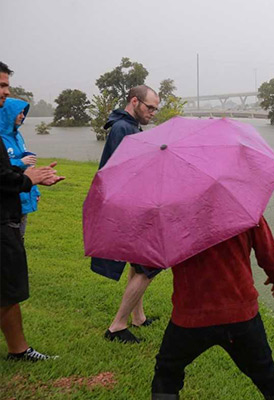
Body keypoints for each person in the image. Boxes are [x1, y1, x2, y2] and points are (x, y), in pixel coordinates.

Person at [151, 216, 274, 400]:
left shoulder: (173, 216)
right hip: (239, 314)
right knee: (266, 374)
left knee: (167, 372)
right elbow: (271, 258)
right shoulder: (245, 211)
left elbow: (153, 256)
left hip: (190, 316)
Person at [1, 61, 65, 361]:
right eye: (1, 86)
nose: (5, 92)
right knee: (7, 290)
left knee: (8, 291)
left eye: (7, 87)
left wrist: (32, 176)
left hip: (10, 218)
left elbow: (4, 170)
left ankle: (18, 349)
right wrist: (26, 178)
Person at [91, 85, 161, 344]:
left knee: (138, 262)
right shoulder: (123, 129)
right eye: (149, 107)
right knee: (150, 263)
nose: (152, 113)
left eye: (156, 108)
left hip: (130, 205)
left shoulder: (128, 126)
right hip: (127, 208)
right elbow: (124, 173)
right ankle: (117, 326)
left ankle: (138, 317)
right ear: (135, 101)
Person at [0, 97, 41, 240]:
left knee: (20, 237)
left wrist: (34, 190)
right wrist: (20, 162)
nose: (23, 116)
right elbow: (3, 167)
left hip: (23, 193)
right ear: (8, 113)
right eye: (19, 112)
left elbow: (28, 167)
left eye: (24, 113)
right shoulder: (1, 138)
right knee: (9, 238)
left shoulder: (18, 136)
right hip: (8, 196)